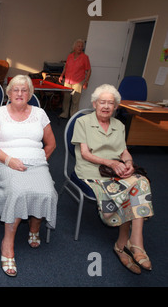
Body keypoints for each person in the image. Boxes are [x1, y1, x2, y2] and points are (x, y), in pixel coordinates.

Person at [72, 84, 154, 274]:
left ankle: (133, 242)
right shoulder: (82, 122)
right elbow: (85, 154)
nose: (106, 106)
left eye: (111, 103)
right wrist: (111, 163)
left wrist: (129, 163)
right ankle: (126, 244)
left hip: (115, 171)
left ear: (116, 106)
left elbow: (124, 151)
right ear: (94, 103)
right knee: (134, 190)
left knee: (141, 182)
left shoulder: (119, 126)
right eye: (102, 102)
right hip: (92, 171)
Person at [0, 75, 58, 277]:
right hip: (5, 162)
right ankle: (7, 243)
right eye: (15, 90)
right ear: (8, 93)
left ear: (30, 93)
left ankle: (34, 227)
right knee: (19, 192)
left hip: (35, 163)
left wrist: (39, 160)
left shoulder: (40, 113)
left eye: (24, 90)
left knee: (47, 192)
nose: (19, 93)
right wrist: (10, 161)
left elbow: (51, 144)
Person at [59, 39, 91, 118]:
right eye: (78, 46)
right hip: (68, 80)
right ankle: (65, 114)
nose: (80, 48)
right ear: (74, 47)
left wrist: (86, 81)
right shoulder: (70, 56)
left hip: (78, 81)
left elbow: (89, 70)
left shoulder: (85, 57)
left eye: (81, 46)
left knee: (75, 100)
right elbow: (66, 67)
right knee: (66, 98)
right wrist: (61, 75)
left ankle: (73, 116)